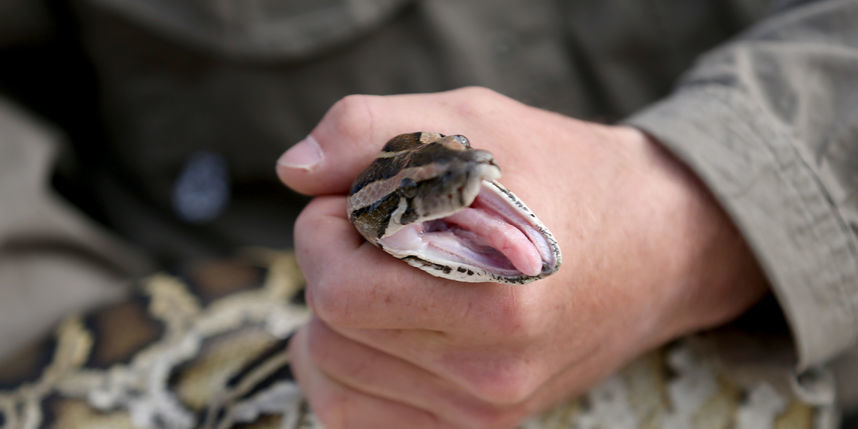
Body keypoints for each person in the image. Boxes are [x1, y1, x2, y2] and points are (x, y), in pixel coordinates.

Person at [0, 0, 855, 427]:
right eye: (422, 193)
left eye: (464, 177)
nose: (468, 178)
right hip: (190, 290)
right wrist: (36, 335)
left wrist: (703, 216)